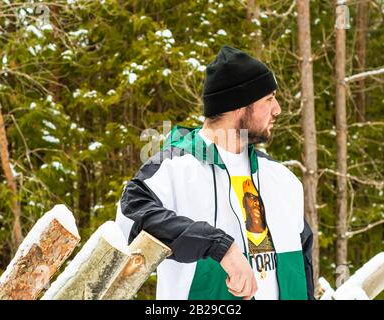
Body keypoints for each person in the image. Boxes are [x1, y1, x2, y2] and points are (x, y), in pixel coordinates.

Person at [116, 45, 315, 300]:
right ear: (238, 105)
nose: (277, 109)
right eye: (268, 99)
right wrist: (216, 244)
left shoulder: (283, 180)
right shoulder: (174, 169)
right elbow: (129, 217)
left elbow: (303, 268)